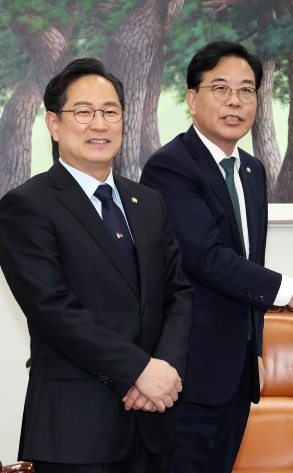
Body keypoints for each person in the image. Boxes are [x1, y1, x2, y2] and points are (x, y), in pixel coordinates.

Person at [139, 41, 293, 473]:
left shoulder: (252, 170)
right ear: (192, 99)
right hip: (187, 375)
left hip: (237, 375)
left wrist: (253, 349)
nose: (235, 101)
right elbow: (206, 258)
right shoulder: (170, 167)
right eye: (220, 88)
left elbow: (249, 265)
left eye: (246, 90)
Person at [0, 58, 193, 473]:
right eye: (84, 112)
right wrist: (139, 371)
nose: (99, 124)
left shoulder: (148, 202)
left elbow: (177, 293)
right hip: (76, 430)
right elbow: (53, 309)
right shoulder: (27, 206)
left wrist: (163, 370)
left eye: (110, 112)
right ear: (54, 124)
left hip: (153, 423)